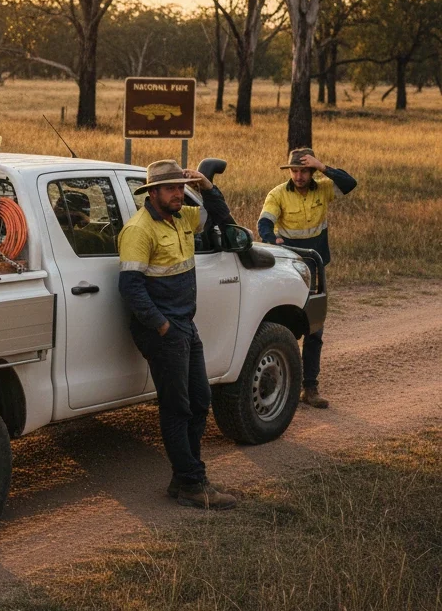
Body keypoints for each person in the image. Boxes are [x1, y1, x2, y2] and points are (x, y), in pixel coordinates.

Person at [117, 159, 237, 510]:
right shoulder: (139, 230)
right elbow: (130, 288)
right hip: (164, 331)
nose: (178, 193)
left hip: (185, 325)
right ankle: (192, 482)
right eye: (170, 188)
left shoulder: (183, 216)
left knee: (200, 401)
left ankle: (182, 476)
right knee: (177, 408)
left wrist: (207, 187)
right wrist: (163, 326)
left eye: (180, 187)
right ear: (152, 192)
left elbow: (222, 220)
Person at [257, 148, 357, 409]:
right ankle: (283, 387)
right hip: (287, 268)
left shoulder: (323, 189)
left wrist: (323, 166)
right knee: (283, 328)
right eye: (295, 170)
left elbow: (350, 183)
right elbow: (264, 224)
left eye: (304, 170)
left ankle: (309, 388)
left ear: (312, 171)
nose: (299, 176)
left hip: (315, 267)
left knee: (314, 330)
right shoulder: (277, 193)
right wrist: (271, 240)